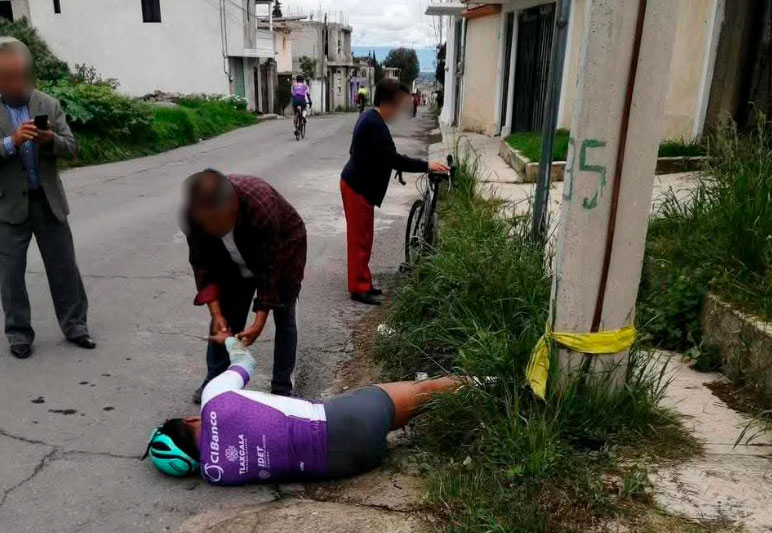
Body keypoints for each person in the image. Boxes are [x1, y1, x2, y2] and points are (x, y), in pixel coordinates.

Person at [143, 334, 465, 484]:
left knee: (367, 406)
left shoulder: (218, 476)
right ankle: (493, 382)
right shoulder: (213, 399)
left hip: (344, 467)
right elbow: (246, 362)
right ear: (189, 418)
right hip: (346, 422)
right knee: (427, 391)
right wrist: (229, 340)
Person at [0, 39, 94, 358]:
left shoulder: (48, 104)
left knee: (64, 267)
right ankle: (18, 334)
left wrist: (50, 139)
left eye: (23, 76)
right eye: (10, 78)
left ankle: (75, 325)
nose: (18, 84)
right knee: (11, 276)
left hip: (48, 201)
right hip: (9, 205)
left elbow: (72, 147)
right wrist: (11, 142)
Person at [181, 169, 307, 403]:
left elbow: (270, 269)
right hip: (232, 259)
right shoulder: (194, 217)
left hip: (283, 250)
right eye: (204, 222)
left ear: (232, 205)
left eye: (216, 220)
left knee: (284, 314)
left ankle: (282, 387)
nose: (210, 229)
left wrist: (259, 322)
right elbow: (202, 266)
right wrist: (217, 313)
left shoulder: (260, 206)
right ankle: (216, 378)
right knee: (225, 318)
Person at [340, 78, 448, 305]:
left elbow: (374, 154)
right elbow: (392, 158)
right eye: (398, 106)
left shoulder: (370, 118)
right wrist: (426, 166)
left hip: (358, 186)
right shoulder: (374, 124)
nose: (399, 112)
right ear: (387, 103)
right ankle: (358, 288)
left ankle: (364, 282)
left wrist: (387, 166)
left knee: (364, 238)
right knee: (359, 240)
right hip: (357, 187)